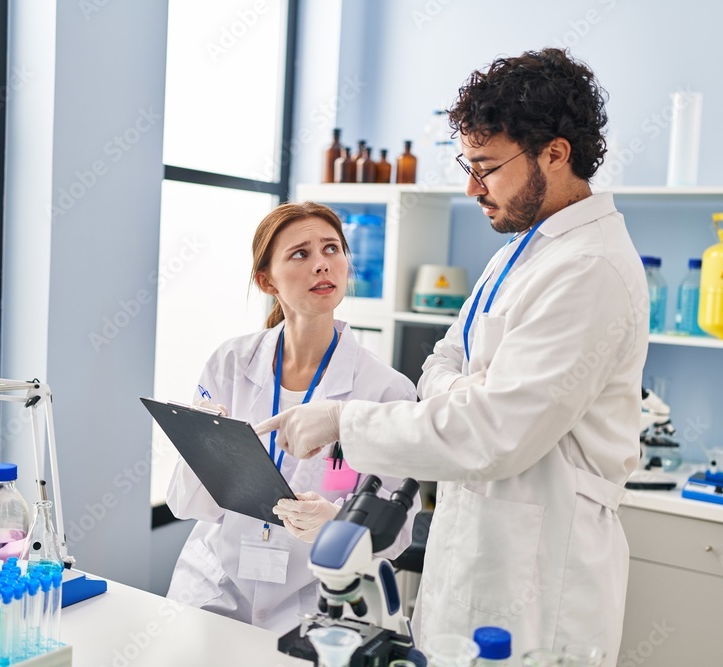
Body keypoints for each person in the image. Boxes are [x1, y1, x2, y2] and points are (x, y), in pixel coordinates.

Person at [255, 49, 648, 664]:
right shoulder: (520, 251)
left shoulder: (588, 268)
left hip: (542, 585)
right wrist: (470, 396)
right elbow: (441, 363)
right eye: (469, 164)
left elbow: (493, 432)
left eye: (487, 167)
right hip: (477, 558)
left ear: (555, 152)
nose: (472, 187)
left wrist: (343, 420)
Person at [165, 202, 419, 632]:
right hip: (215, 587)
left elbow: (397, 534)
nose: (322, 264)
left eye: (332, 249)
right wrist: (203, 450)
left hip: (316, 599)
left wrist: (336, 523)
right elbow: (185, 504)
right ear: (267, 280)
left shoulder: (387, 390)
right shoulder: (230, 362)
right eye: (300, 254)